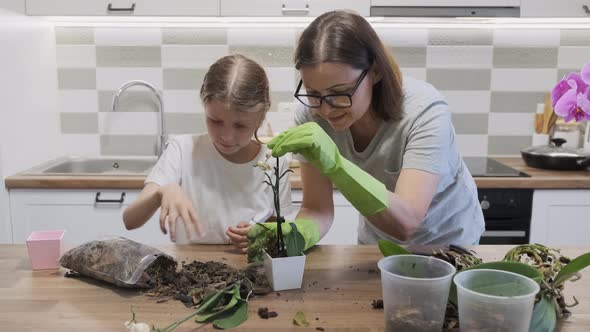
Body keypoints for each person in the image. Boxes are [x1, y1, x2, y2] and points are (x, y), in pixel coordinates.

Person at [250, 10, 484, 248]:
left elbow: (407, 220)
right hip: (377, 244)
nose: (327, 109)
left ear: (375, 71)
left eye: (340, 92)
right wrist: (296, 234)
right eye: (313, 93)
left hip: (449, 245)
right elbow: (316, 209)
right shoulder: (310, 117)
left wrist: (336, 166)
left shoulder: (425, 112)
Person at [123, 54, 292, 252]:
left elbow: (280, 229)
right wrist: (161, 191)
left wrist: (263, 235)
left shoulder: (274, 161)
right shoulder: (183, 149)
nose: (227, 136)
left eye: (240, 125)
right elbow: (130, 220)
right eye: (216, 121)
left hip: (250, 269)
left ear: (261, 118)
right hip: (189, 268)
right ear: (205, 106)